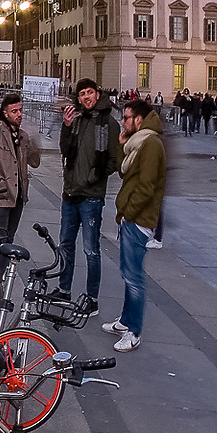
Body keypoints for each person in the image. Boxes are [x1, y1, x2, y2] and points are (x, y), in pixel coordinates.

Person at [104, 98, 164, 353]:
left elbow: (147, 186)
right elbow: (123, 171)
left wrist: (129, 213)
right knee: (128, 274)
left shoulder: (150, 144)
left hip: (138, 220)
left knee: (134, 277)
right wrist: (120, 146)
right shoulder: (137, 144)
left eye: (126, 118)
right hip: (131, 218)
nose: (123, 122)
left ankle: (134, 331)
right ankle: (125, 320)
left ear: (139, 120)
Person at [57, 80, 121, 311]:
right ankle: (63, 289)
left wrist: (93, 177)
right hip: (70, 193)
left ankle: (91, 299)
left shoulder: (109, 123)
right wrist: (65, 125)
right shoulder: (76, 120)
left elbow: (114, 161)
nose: (86, 97)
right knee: (65, 244)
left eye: (90, 92)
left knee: (91, 249)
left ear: (98, 93)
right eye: (82, 94)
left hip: (91, 196)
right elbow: (65, 150)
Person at [0, 90, 40, 253]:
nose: (19, 114)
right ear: (5, 113)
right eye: (14, 111)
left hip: (18, 197)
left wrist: (33, 140)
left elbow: (35, 163)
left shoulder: (23, 136)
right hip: (1, 196)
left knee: (8, 244)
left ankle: (2, 279)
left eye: (20, 110)